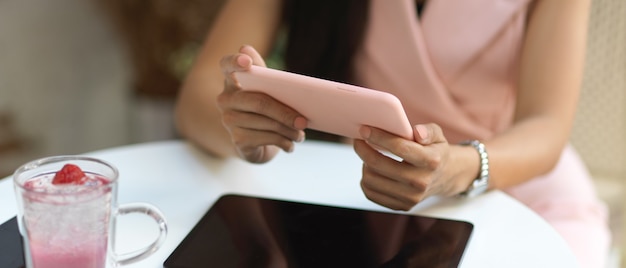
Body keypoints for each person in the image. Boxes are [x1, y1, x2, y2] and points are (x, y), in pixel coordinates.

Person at [174, 0, 611, 267]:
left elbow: (547, 126)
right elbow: (196, 102)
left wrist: (458, 168)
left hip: (514, 178)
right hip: (364, 191)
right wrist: (242, 129)